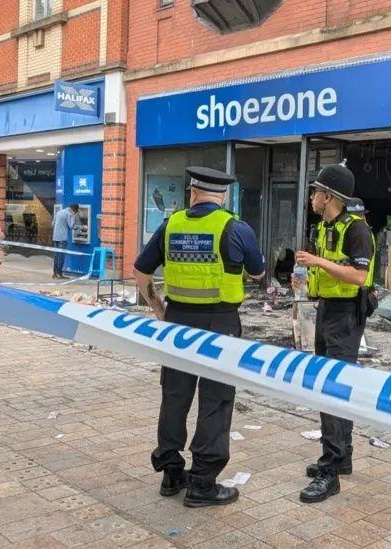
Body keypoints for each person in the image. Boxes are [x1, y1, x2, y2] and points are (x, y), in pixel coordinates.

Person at [133, 166, 266, 508]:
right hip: (220, 324)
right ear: (223, 196)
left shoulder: (171, 224)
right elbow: (258, 271)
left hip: (177, 323)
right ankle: (202, 483)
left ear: (192, 192)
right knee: (216, 400)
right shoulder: (235, 228)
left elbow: (140, 269)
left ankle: (171, 473)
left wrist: (158, 308)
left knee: (174, 396)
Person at [294, 163, 376, 504]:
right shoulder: (325, 226)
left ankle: (330, 470)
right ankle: (341, 457)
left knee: (332, 389)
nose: (312, 197)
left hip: (345, 316)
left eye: (316, 192)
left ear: (328, 196)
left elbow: (358, 276)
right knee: (329, 386)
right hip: (327, 310)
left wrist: (318, 264)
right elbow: (326, 270)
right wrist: (305, 279)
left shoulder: (357, 230)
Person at [52, 203, 80, 279]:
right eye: (76, 211)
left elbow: (53, 224)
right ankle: (59, 274)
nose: (76, 213)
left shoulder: (59, 212)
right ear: (75, 209)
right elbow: (72, 226)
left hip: (55, 237)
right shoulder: (69, 214)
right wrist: (81, 227)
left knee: (56, 255)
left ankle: (54, 273)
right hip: (63, 238)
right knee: (61, 256)